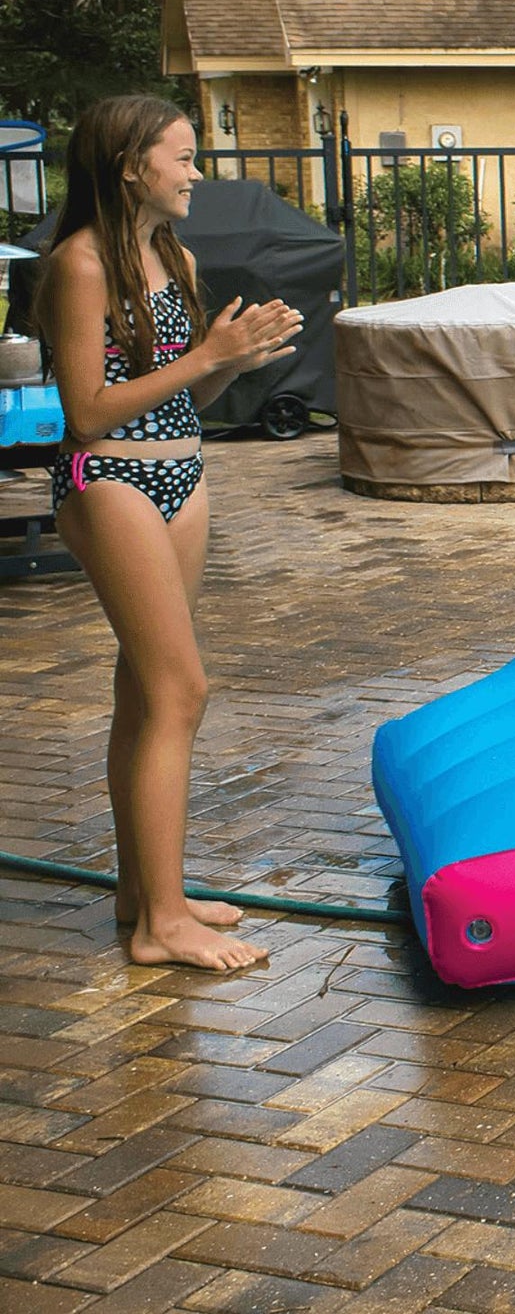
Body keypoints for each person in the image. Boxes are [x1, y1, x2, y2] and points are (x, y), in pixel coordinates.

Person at [37, 96, 303, 971]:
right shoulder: (80, 265)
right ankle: (161, 927)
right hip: (110, 480)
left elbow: (189, 393)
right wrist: (206, 356)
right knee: (181, 691)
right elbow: (86, 411)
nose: (196, 173)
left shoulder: (174, 256)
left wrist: (232, 362)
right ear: (129, 166)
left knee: (144, 693)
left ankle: (145, 893)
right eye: (182, 158)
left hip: (183, 473)